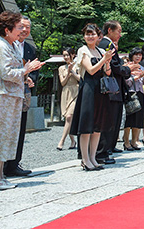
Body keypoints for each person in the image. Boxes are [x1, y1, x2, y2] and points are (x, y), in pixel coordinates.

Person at [0, 11, 44, 190]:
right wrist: (26, 69)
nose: (22, 30)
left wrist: (26, 76)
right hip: (1, 97)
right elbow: (6, 73)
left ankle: (0, 175)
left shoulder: (11, 45)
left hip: (11, 97)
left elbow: (14, 71)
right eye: (18, 27)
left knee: (8, 136)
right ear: (8, 30)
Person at [70, 23, 115, 171]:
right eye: (87, 34)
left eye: (92, 34)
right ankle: (85, 159)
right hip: (88, 88)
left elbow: (106, 72)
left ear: (98, 36)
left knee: (97, 126)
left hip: (100, 89)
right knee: (86, 125)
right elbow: (90, 70)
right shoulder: (83, 50)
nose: (90, 36)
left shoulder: (101, 50)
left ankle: (93, 157)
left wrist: (107, 62)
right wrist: (104, 60)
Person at [4, 16, 39, 178]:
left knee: (21, 127)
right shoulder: (7, 46)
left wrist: (32, 78)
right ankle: (2, 164)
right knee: (8, 128)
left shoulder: (31, 48)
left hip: (24, 92)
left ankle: (15, 163)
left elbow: (35, 68)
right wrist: (24, 73)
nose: (24, 30)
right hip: (8, 93)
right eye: (21, 27)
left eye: (27, 27)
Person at [96, 21, 135, 164]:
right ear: (110, 30)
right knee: (108, 120)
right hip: (110, 88)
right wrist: (129, 69)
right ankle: (102, 151)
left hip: (114, 88)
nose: (120, 34)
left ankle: (108, 148)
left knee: (114, 120)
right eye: (118, 31)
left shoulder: (109, 44)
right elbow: (115, 67)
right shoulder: (106, 45)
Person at [123, 47, 144, 151]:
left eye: (140, 55)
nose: (138, 57)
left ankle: (134, 141)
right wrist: (137, 77)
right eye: (136, 54)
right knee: (129, 119)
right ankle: (126, 141)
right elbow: (126, 82)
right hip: (130, 93)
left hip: (140, 92)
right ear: (132, 55)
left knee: (138, 118)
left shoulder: (141, 67)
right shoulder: (128, 66)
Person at [57, 47, 79, 150]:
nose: (66, 57)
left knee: (69, 116)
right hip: (65, 92)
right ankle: (73, 140)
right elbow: (62, 83)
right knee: (67, 118)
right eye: (64, 55)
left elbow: (80, 79)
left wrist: (72, 72)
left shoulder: (78, 65)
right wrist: (68, 72)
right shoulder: (61, 68)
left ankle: (61, 141)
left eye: (67, 55)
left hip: (76, 92)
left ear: (73, 55)